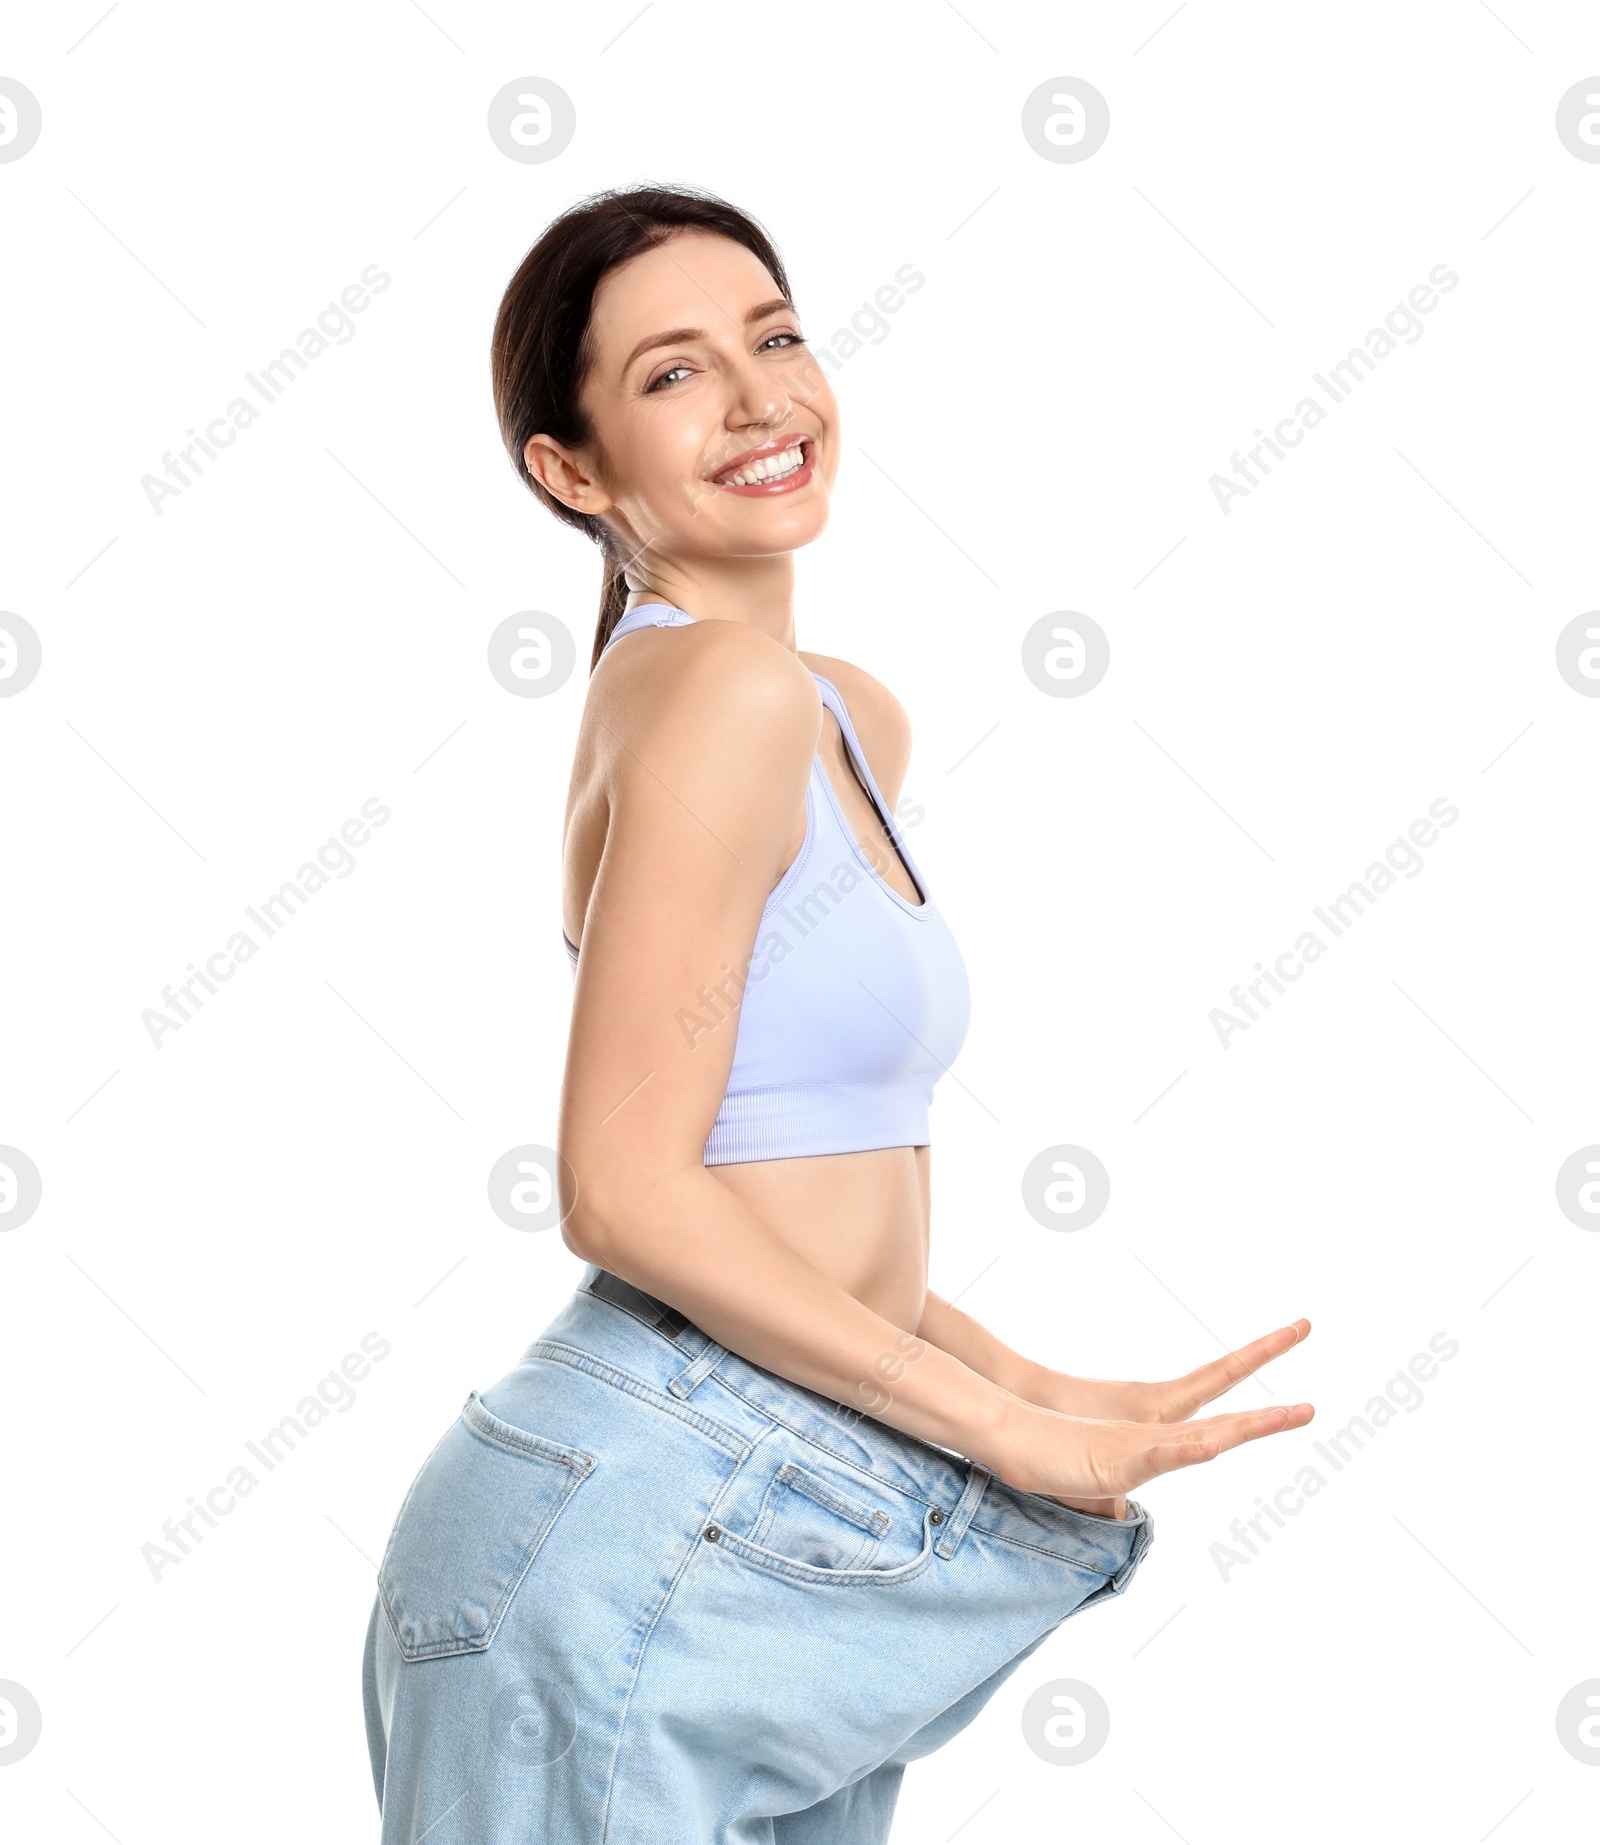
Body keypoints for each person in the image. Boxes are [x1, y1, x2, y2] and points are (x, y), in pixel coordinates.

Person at [361, 183, 1314, 1844]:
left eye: (777, 337)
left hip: (770, 1509)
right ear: (569, 472)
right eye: (672, 374)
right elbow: (626, 1188)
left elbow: (783, 1183)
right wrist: (1002, 1427)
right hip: (644, 1516)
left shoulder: (836, 713)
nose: (757, 399)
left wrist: (1049, 1384)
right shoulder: (717, 693)